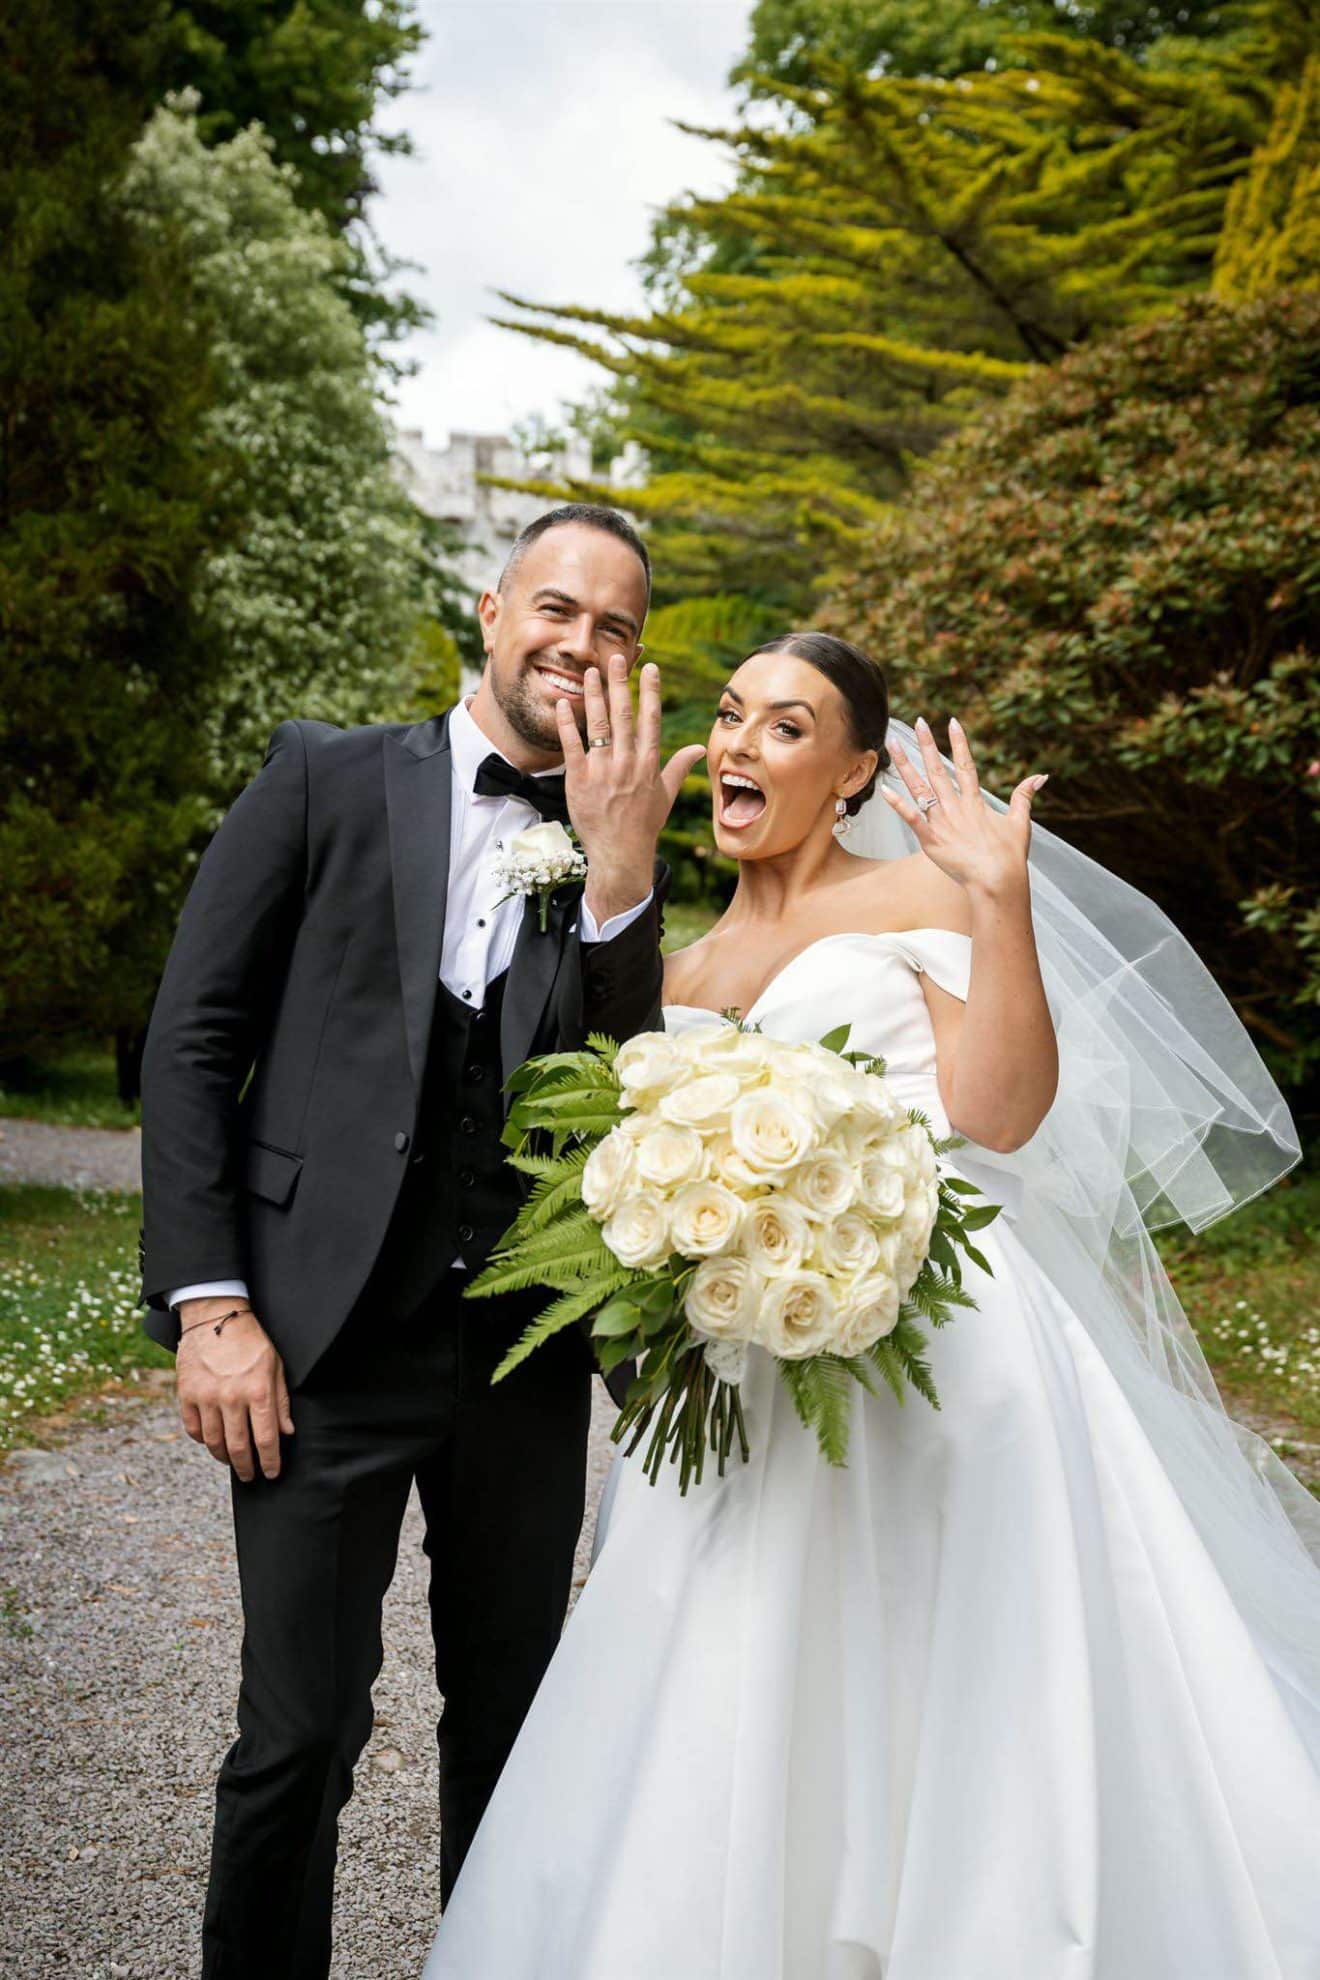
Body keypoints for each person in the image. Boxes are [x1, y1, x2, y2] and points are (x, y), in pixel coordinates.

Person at [425, 632, 1320, 1979]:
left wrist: (1001, 901)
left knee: (955, 1677)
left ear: (851, 773)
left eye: (787, 728)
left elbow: (1001, 1116)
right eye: (730, 717)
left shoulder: (926, 895)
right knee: (735, 1685)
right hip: (751, 1370)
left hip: (949, 1353)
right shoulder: (674, 968)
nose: (738, 744)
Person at [137, 503, 703, 1980]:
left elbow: (628, 1087)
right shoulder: (324, 775)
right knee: (301, 1731)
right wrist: (211, 1306)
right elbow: (193, 1039)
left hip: (520, 1358)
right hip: (315, 1343)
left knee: (518, 1724)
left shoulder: (611, 834)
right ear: (492, 605)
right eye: (560, 608)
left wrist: (623, 872)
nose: (583, 644)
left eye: (618, 628)